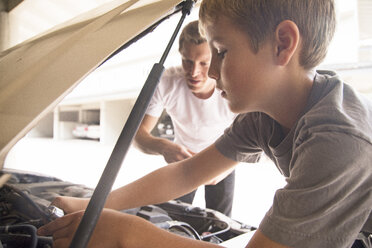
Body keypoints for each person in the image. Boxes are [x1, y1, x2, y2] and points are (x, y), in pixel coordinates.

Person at [38, 0, 372, 247]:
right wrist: (92, 204)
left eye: (221, 52)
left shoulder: (339, 140)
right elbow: (189, 172)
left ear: (283, 44)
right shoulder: (263, 116)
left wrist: (128, 234)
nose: (211, 73)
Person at [133, 20, 236, 216]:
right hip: (182, 163)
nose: (194, 72)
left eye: (204, 63)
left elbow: (251, 138)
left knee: (221, 223)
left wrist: (230, 164)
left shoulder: (233, 87)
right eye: (187, 61)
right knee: (173, 219)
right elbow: (137, 134)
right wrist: (163, 147)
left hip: (222, 158)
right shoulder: (166, 83)